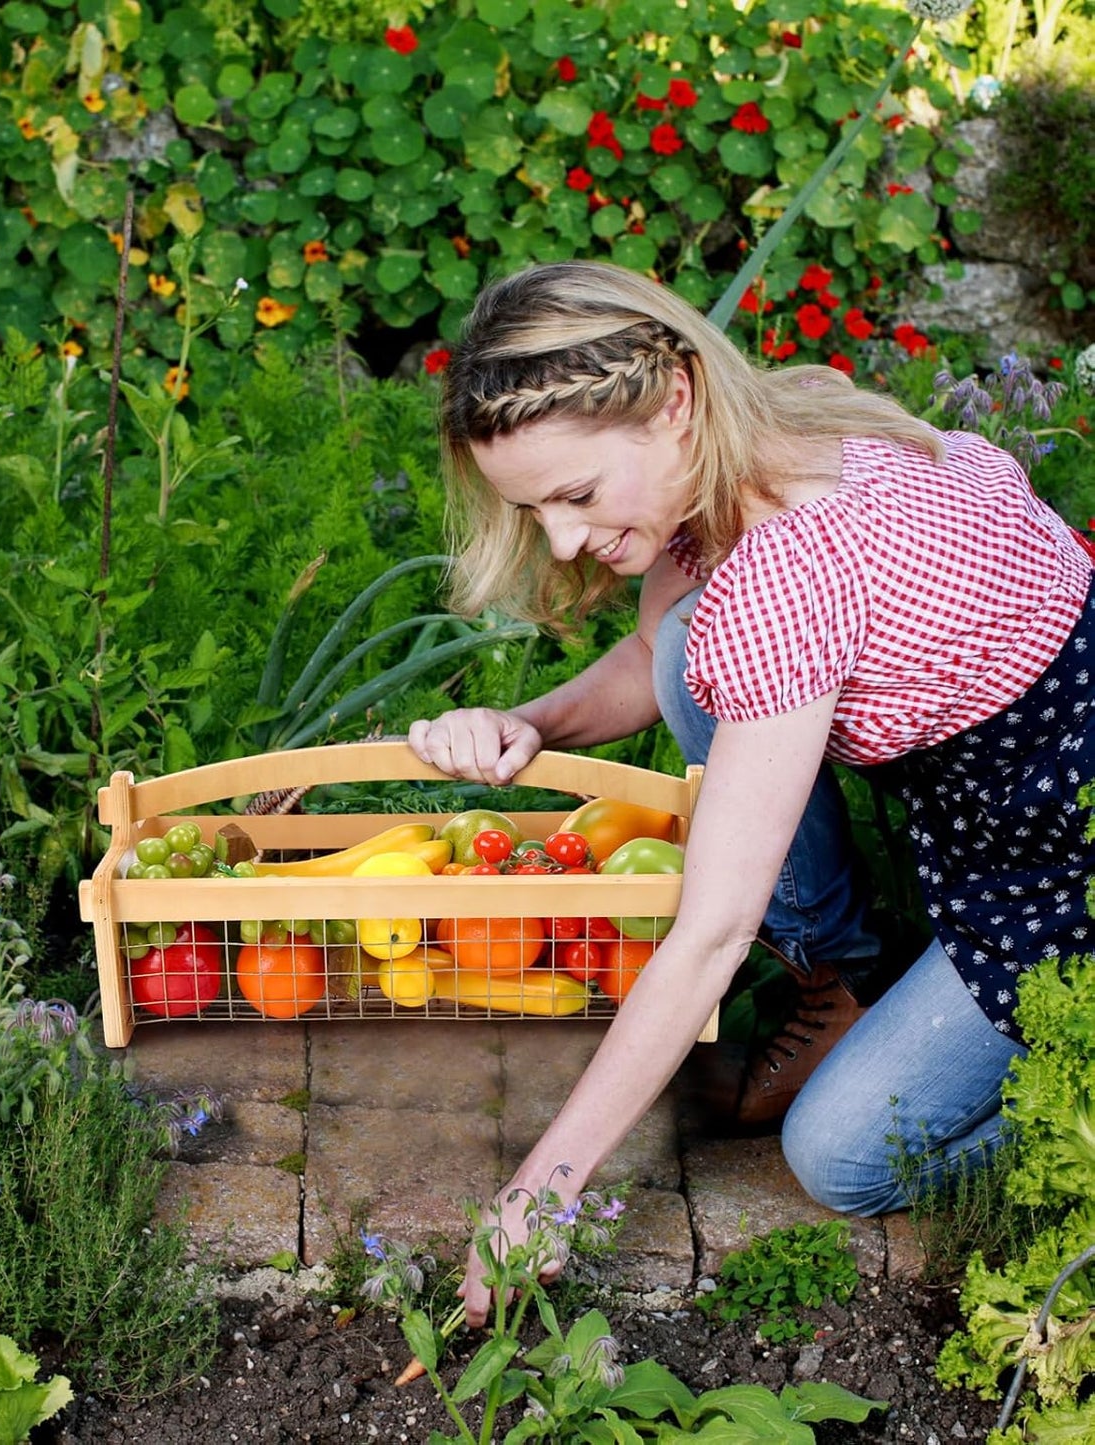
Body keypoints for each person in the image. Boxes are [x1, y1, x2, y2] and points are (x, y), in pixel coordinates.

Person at [406, 260, 1094, 1328]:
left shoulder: (789, 570)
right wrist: (531, 722)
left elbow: (709, 931)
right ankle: (842, 975)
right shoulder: (775, 438)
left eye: (576, 495)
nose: (560, 539)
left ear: (671, 398)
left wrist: (536, 1189)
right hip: (996, 800)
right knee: (691, 641)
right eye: (533, 509)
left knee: (840, 1155)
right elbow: (658, 658)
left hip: (1060, 854)